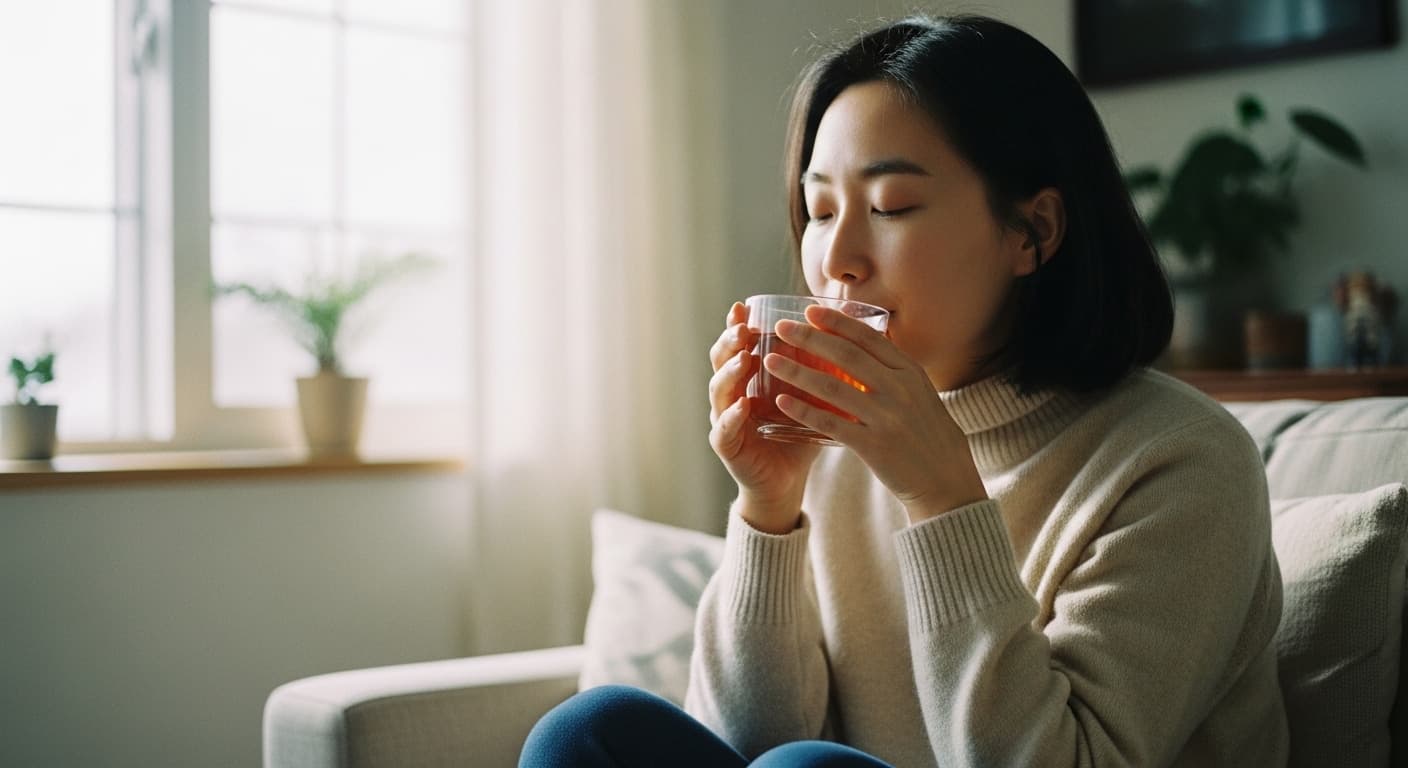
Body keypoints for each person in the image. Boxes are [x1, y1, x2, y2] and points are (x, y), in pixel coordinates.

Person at [520, 13, 1287, 767]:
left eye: (891, 207)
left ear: (1033, 233)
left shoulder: (1182, 461)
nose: (839, 260)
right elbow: (744, 747)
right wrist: (769, 510)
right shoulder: (841, 440)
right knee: (590, 732)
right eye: (820, 210)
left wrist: (942, 496)